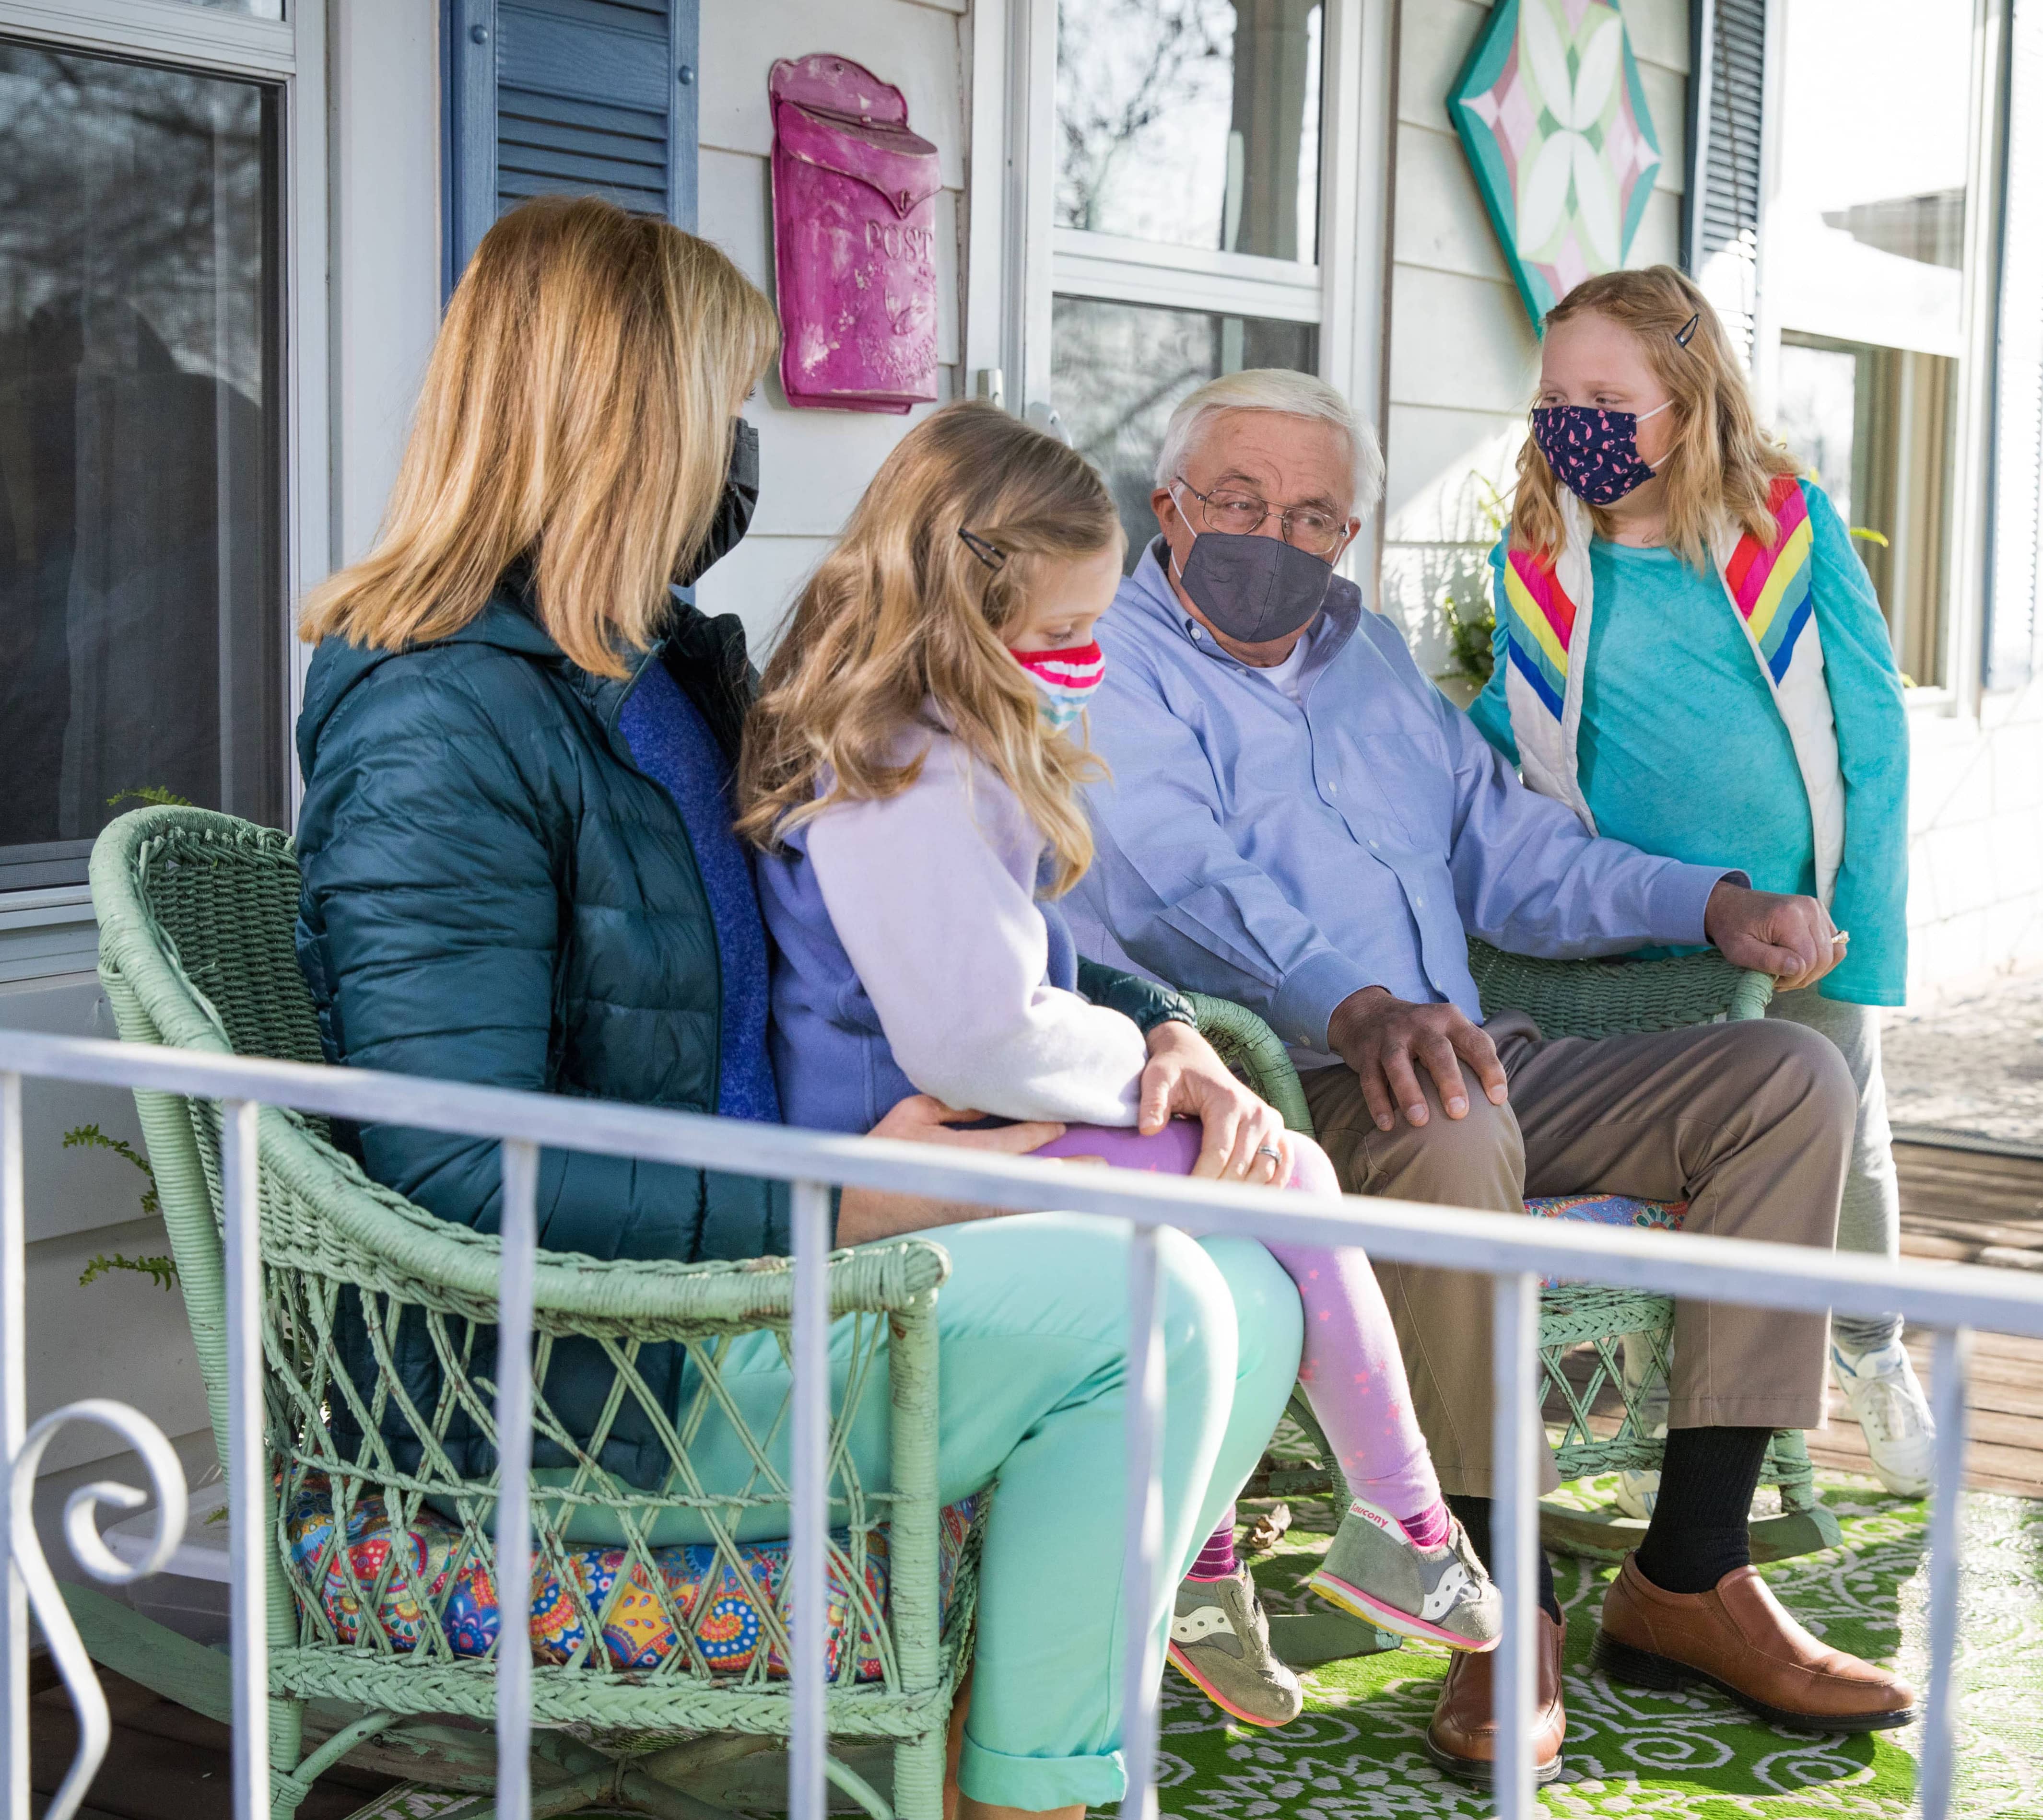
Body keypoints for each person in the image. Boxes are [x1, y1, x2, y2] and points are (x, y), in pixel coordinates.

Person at [291, 196, 1302, 1820]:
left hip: (763, 1280)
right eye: (723, 412)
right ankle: (1031, 1794)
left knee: (1248, 1285)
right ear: (626, 431)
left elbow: (921, 918)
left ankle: (1016, 1767)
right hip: (593, 1370)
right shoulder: (441, 729)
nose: (745, 457)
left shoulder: (667, 668)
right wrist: (831, 1199)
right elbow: (455, 1171)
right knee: (1162, 1316)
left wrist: (1162, 1023)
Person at [1065, 366, 1917, 1784]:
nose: (1274, 536)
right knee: (1451, 1120)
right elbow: (1172, 885)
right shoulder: (1112, 658)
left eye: (1314, 514)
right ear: (1168, 505)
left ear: (1348, 533)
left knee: (1786, 1080)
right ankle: (1492, 1609)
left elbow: (1508, 854)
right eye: (1237, 501)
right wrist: (1360, 1002)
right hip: (1286, 1084)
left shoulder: (1370, 657)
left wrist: (1703, 903)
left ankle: (1689, 1574)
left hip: (1474, 1053)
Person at [739, 400, 1503, 1734]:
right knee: (1294, 1178)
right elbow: (973, 1031)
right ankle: (1404, 1525)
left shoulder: (922, 737)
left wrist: (1155, 1035)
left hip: (958, 1118)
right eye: (1059, 634)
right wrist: (1141, 1069)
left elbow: (1008, 974)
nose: (1087, 657)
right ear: (965, 611)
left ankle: (1211, 1563)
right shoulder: (900, 770)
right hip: (913, 1146)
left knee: (1253, 1214)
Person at [1468, 266, 1929, 1501]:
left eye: (1607, 396)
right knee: (1687, 1166)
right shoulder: (1542, 555)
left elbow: (1871, 730)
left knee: (1849, 1155)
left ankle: (1874, 1350)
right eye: (1555, 396)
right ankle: (1682, 1417)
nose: (1575, 421)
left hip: (1802, 925)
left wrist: (1868, 932)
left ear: (1687, 393)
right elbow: (1506, 722)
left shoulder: (1786, 524)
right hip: (1647, 925)